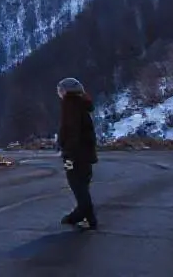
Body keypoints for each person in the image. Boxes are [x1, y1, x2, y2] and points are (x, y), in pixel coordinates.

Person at [57, 77, 98, 230]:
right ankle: (80, 214)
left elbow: (71, 130)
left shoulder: (70, 105)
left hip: (74, 154)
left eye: (60, 90)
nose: (59, 93)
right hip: (86, 153)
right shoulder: (82, 104)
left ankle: (87, 215)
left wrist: (68, 152)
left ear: (67, 91)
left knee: (75, 183)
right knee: (83, 184)